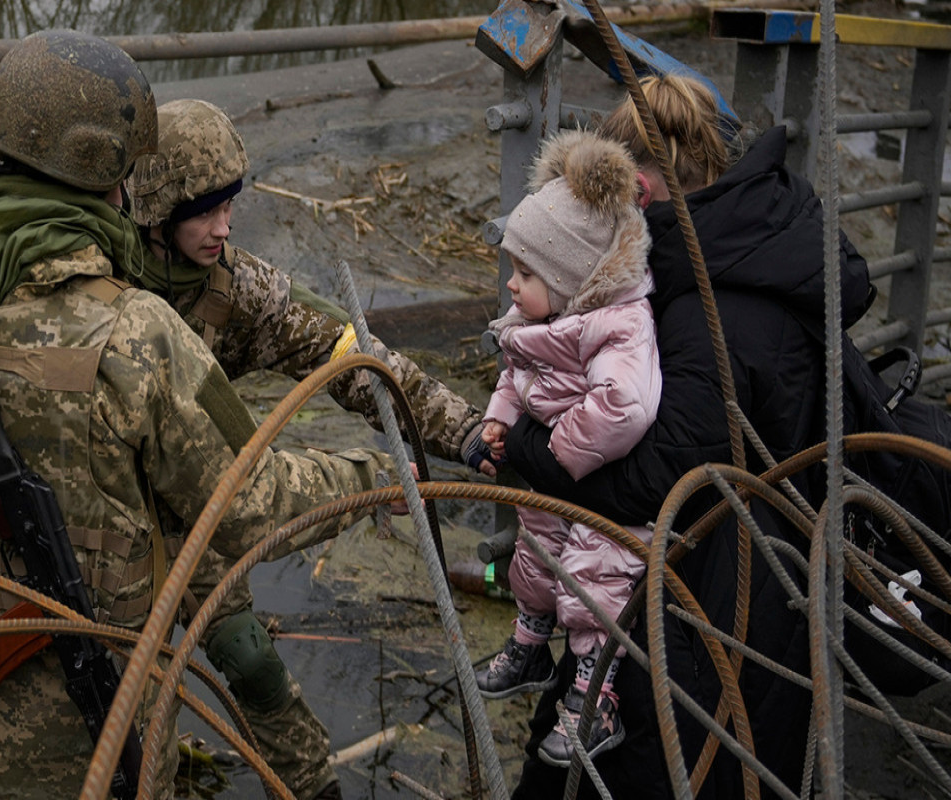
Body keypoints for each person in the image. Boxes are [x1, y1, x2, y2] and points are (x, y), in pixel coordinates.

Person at [0, 30, 398, 800]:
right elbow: (249, 507)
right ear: (113, 181)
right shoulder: (140, 333)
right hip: (99, 746)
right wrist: (376, 476)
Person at [504, 72, 951, 799]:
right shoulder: (758, 241)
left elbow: (662, 477)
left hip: (714, 614)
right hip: (773, 593)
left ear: (640, 193)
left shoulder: (713, 310)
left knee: (633, 771)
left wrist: (526, 447)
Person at [118, 98, 495, 800]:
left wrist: (464, 432)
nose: (222, 229)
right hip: (100, 524)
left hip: (194, 513)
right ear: (155, 211)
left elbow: (352, 359)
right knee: (124, 710)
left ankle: (311, 788)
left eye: (230, 207)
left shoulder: (240, 290)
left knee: (249, 657)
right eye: (203, 211)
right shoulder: (100, 283)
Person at [472, 128, 659, 766]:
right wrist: (500, 419)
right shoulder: (543, 321)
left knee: (592, 584)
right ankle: (529, 645)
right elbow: (515, 376)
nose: (511, 287)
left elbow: (625, 406)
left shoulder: (619, 326)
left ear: (573, 277)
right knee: (533, 555)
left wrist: (559, 454)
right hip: (554, 486)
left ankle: (593, 695)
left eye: (525, 273)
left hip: (600, 495)